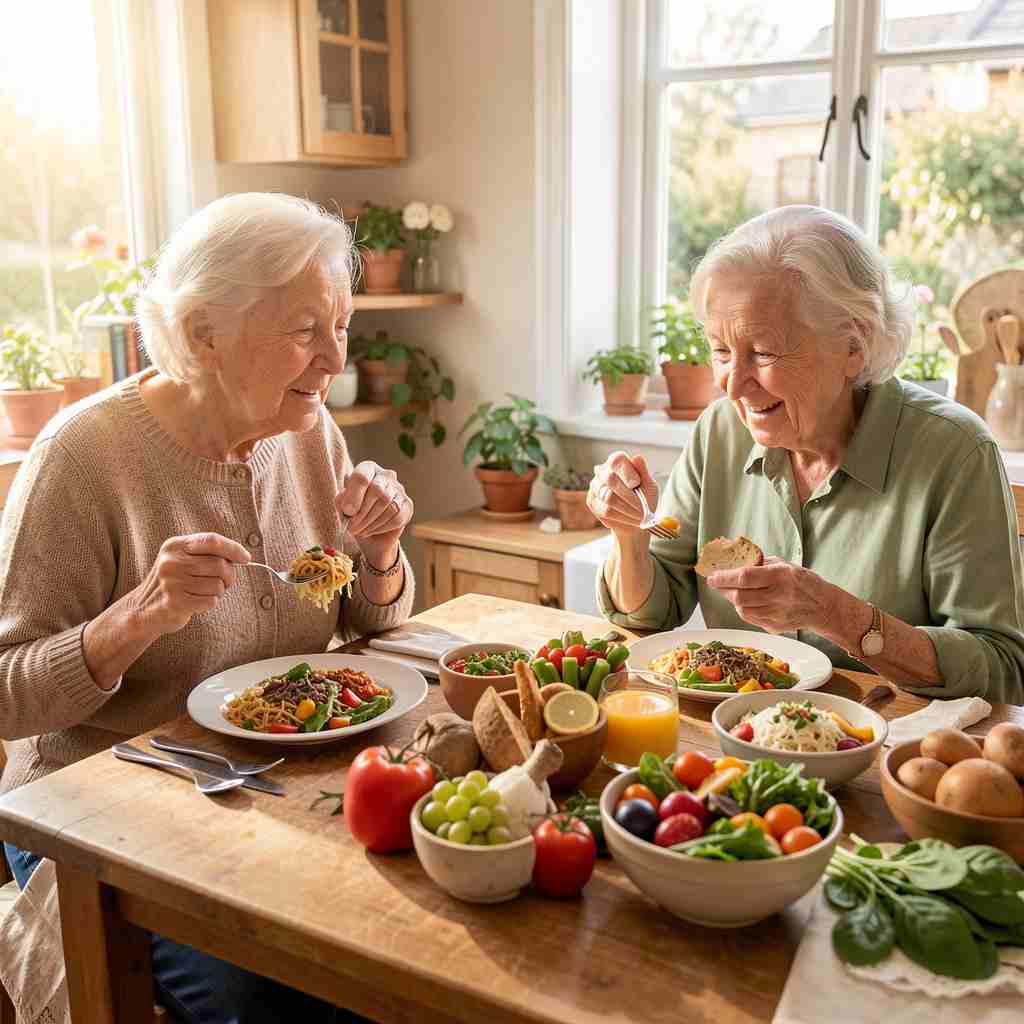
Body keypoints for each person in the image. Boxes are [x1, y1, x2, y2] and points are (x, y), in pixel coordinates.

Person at [0, 192, 416, 1021]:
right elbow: (6, 696)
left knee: (395, 946)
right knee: (278, 995)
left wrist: (382, 552)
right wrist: (136, 618)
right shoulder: (83, 455)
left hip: (263, 789)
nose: (334, 357)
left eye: (342, 325)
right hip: (98, 814)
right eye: (305, 329)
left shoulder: (307, 429)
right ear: (202, 334)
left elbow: (370, 628)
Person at [590, 205, 1024, 703]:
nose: (732, 384)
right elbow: (654, 611)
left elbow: (1003, 670)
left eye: (764, 352)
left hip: (892, 741)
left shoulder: (956, 451)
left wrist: (835, 614)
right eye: (721, 351)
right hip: (735, 733)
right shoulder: (719, 431)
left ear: (854, 345)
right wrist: (629, 537)